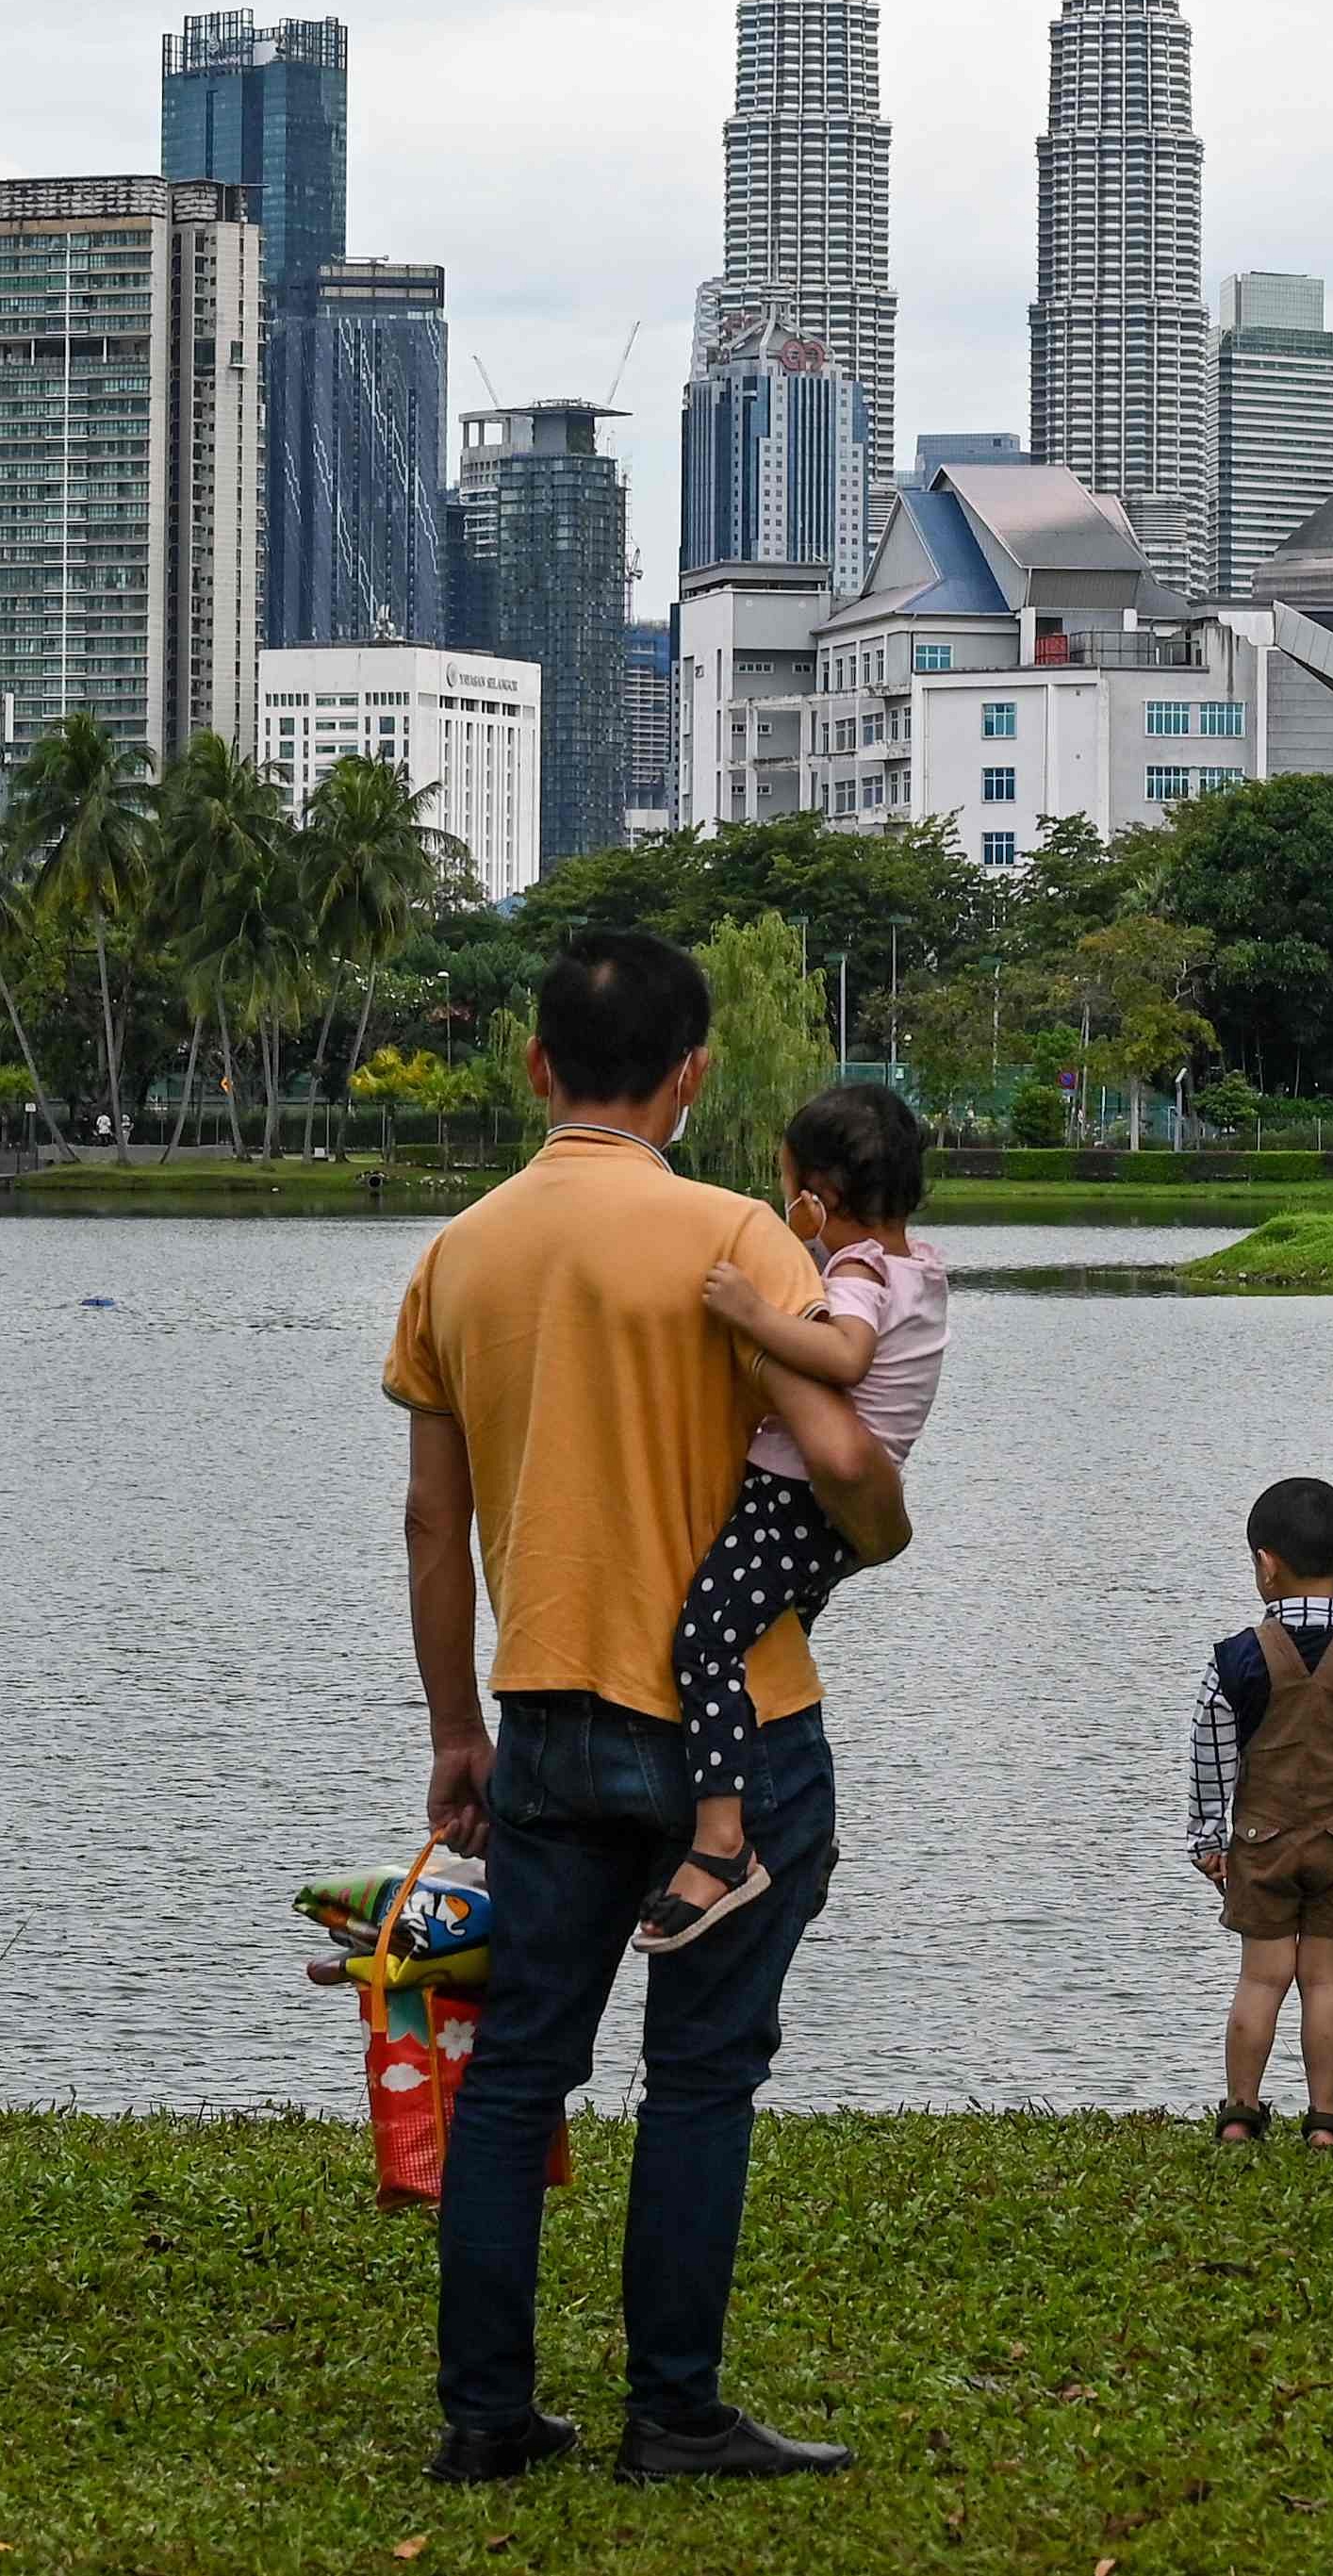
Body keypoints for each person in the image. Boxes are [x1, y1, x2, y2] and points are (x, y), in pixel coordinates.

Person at [384, 930, 907, 2487]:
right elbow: (847, 1469)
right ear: (691, 1075)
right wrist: (876, 1531)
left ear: (535, 1065)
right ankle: (671, 2410)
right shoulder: (741, 1235)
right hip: (733, 1727)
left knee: (521, 2067)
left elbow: (430, 1526)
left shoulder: (456, 1251)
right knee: (700, 2073)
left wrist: (452, 1735)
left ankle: (485, 2413)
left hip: (538, 1712)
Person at [647, 1082, 952, 1954]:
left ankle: (722, 1842)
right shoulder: (918, 1266)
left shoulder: (855, 1272)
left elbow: (847, 1354)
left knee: (704, 1643)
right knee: (768, 1652)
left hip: (795, 1497)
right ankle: (801, 1834)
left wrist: (750, 1311)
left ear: (817, 1193)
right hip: (836, 1516)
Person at [1183, 1477, 1333, 2149]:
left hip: (1259, 1845)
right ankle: (1324, 2121)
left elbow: (1211, 1754)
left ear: (1264, 1564)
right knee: (1325, 1980)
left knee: (1260, 1976)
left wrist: (1208, 1837)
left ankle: (1240, 2113)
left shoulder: (1232, 1660)